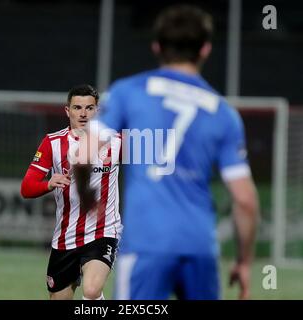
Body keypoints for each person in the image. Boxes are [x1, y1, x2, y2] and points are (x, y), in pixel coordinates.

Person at [74, 5, 259, 300]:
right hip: (200, 247)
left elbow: (83, 154)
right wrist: (244, 262)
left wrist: (86, 196)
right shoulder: (224, 114)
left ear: (157, 47)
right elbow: (246, 200)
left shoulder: (128, 92)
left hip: (147, 244)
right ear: (206, 50)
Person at [20, 84, 122, 300]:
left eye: (89, 108)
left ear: (98, 111)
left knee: (92, 291)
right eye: (77, 108)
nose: (83, 114)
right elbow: (26, 188)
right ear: (68, 111)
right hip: (65, 238)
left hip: (103, 231)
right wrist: (48, 184)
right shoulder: (52, 143)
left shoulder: (116, 141)